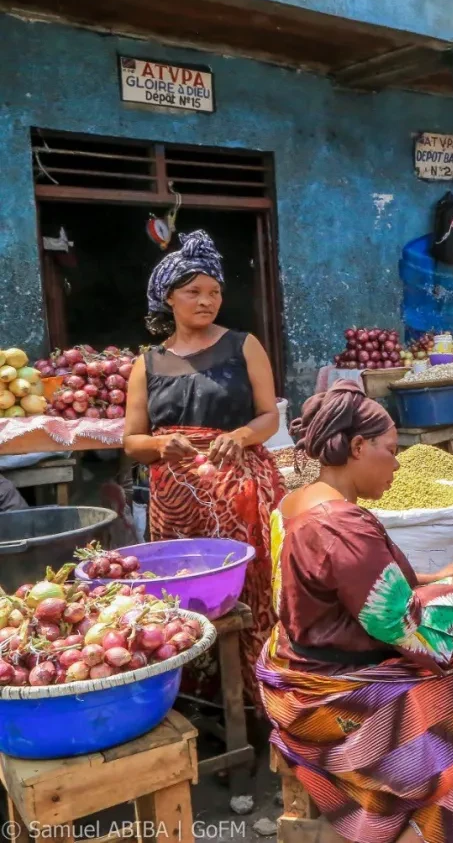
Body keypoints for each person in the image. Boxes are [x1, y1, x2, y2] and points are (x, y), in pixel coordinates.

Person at [259, 381, 453, 843]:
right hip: (330, 696)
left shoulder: (296, 503)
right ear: (359, 447)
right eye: (390, 449)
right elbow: (398, 626)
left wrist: (434, 579)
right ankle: (425, 827)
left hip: (289, 668)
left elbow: (340, 590)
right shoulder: (341, 525)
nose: (398, 462)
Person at [123, 230, 282, 703]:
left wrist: (240, 435)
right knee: (183, 601)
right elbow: (132, 441)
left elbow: (269, 415)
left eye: (213, 291)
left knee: (246, 595)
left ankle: (259, 697)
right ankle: (195, 697)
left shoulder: (243, 345)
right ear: (167, 297)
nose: (206, 300)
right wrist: (158, 444)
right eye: (193, 291)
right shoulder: (146, 364)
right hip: (177, 503)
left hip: (241, 491)